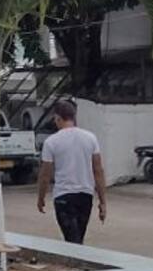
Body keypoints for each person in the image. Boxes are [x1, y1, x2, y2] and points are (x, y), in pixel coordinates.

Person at [36, 99, 106, 244]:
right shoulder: (90, 138)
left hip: (64, 196)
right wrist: (102, 201)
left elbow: (45, 175)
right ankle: (78, 263)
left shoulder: (51, 142)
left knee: (72, 240)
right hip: (85, 196)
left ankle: (77, 264)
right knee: (78, 237)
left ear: (58, 118)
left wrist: (41, 197)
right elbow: (98, 171)